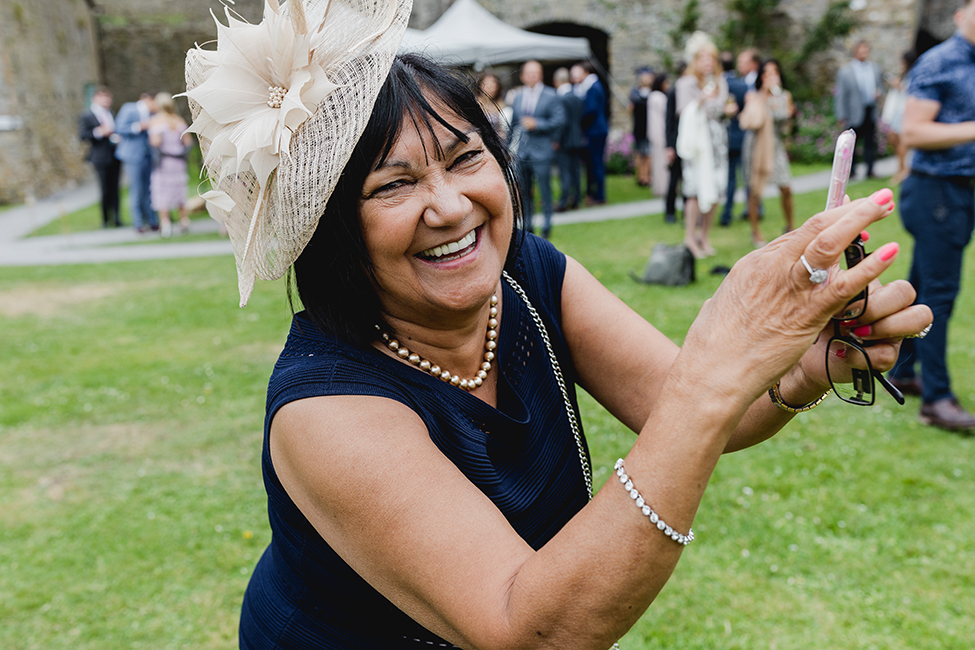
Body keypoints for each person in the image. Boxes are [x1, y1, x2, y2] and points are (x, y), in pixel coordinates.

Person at [183, 3, 931, 647]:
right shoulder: (326, 410)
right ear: (333, 233)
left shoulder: (528, 272)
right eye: (395, 184)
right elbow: (530, 628)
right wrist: (716, 359)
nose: (449, 206)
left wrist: (807, 370)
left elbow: (703, 416)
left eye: (463, 157)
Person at [888, 0, 975, 431]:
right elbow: (914, 130)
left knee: (921, 284)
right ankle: (937, 400)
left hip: (959, 190)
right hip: (935, 188)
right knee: (939, 295)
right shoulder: (941, 61)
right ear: (962, 14)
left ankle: (903, 372)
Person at [675, 32, 730, 259]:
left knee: (716, 190)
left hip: (717, 142)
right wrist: (701, 101)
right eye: (703, 58)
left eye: (711, 58)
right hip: (698, 144)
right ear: (695, 61)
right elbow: (683, 111)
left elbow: (722, 109)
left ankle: (705, 236)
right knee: (695, 192)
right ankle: (690, 238)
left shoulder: (720, 82)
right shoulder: (686, 83)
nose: (708, 63)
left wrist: (727, 111)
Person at [740, 59, 796, 246]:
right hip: (756, 146)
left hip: (776, 146)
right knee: (755, 190)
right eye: (767, 73)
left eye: (775, 72)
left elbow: (786, 126)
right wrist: (764, 93)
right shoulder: (753, 96)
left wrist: (791, 115)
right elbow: (749, 121)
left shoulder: (785, 96)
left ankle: (790, 226)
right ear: (761, 77)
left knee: (786, 187)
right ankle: (755, 232)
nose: (772, 76)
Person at [508, 60, 565, 239]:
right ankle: (529, 227)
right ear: (523, 76)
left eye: (536, 73)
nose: (532, 76)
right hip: (522, 153)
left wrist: (537, 124)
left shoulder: (551, 95)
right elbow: (513, 125)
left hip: (542, 151)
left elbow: (560, 121)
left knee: (545, 190)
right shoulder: (517, 96)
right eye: (529, 73)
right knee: (524, 194)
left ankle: (547, 226)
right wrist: (506, 147)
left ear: (540, 75)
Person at [835, 41, 884, 179]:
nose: (864, 54)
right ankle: (851, 172)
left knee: (870, 142)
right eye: (861, 51)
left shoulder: (875, 68)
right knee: (851, 145)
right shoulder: (845, 72)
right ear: (855, 52)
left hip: (870, 109)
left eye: (866, 51)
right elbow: (841, 95)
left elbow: (881, 86)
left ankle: (870, 170)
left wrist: (879, 92)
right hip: (854, 112)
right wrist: (841, 115)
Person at [147, 92, 193, 238]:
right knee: (179, 189)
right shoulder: (178, 121)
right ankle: (184, 220)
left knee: (162, 190)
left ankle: (165, 224)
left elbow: (155, 142)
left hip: (164, 162)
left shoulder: (156, 121)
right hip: (178, 162)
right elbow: (188, 142)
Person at [78, 85, 122, 228]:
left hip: (115, 154)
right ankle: (105, 219)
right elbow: (83, 135)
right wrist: (99, 132)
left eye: (108, 98)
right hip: (100, 156)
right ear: (95, 99)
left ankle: (117, 218)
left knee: (116, 188)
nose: (106, 101)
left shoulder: (112, 114)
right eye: (103, 97)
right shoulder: (87, 115)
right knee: (104, 188)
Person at [115, 91, 159, 233]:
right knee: (136, 189)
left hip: (148, 155)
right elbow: (119, 128)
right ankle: (138, 223)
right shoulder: (129, 108)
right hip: (132, 155)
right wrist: (140, 126)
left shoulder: (154, 114)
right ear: (148, 99)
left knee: (148, 189)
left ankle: (152, 220)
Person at [572, 61, 608, 206]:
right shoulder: (591, 86)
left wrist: (576, 118)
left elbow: (590, 109)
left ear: (586, 72)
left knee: (596, 163)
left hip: (595, 131)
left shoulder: (593, 87)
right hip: (595, 130)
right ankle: (593, 193)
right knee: (592, 164)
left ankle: (599, 195)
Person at [881, 50, 918, 185]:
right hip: (896, 112)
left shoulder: (916, 74)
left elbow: (914, 92)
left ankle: (903, 171)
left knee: (902, 142)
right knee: (893, 140)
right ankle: (901, 168)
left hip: (905, 112)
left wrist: (900, 86)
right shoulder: (905, 74)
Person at [719, 51, 748, 227]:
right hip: (741, 136)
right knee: (745, 176)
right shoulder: (742, 85)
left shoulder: (717, 85)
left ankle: (727, 214)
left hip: (724, 137)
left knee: (729, 178)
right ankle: (752, 209)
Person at [553, 66, 585, 213]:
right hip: (577, 138)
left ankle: (563, 201)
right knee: (576, 170)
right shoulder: (577, 96)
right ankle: (577, 198)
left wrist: (556, 139)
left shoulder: (559, 98)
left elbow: (561, 122)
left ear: (556, 81)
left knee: (565, 171)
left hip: (564, 140)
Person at [664, 62, 686, 224]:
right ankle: (670, 212)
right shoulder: (674, 91)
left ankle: (688, 211)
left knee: (689, 180)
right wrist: (670, 146)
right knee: (674, 179)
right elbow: (669, 121)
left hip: (689, 142)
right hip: (677, 141)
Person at [629, 67, 654, 188]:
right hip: (639, 126)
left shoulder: (653, 92)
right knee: (640, 153)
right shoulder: (635, 92)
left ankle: (648, 176)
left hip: (650, 126)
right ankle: (640, 176)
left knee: (649, 153)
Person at [648, 72, 671, 199]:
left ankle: (659, 187)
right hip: (661, 132)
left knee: (658, 162)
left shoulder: (652, 96)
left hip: (654, 132)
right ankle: (664, 188)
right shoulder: (660, 98)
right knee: (663, 162)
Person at [477, 72, 508, 138]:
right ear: (480, 85)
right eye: (487, 83)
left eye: (494, 83)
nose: (491, 86)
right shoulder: (475, 104)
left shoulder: (501, 104)